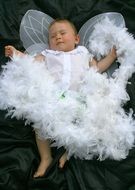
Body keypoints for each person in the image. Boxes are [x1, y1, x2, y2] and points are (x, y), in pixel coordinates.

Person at [4, 18, 117, 178]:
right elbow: (30, 63)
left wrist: (111, 57)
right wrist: (16, 54)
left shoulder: (83, 53)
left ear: (76, 39)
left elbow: (97, 69)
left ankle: (69, 153)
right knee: (40, 123)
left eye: (63, 33)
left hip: (79, 99)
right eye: (53, 36)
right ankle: (46, 157)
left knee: (84, 127)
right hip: (52, 99)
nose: (58, 37)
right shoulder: (48, 54)